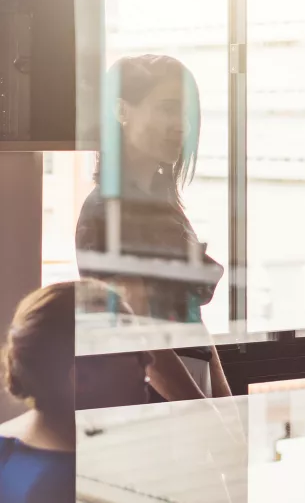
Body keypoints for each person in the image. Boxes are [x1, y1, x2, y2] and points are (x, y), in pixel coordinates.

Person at [75, 54, 231, 402]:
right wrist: (207, 416)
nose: (182, 126)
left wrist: (225, 402)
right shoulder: (108, 212)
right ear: (122, 111)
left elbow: (193, 323)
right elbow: (144, 343)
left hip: (187, 388)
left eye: (186, 114)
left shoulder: (163, 209)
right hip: (149, 398)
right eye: (167, 109)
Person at [0, 281, 153, 503]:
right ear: (79, 377)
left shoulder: (9, 448)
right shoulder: (72, 488)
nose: (149, 358)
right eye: (133, 349)